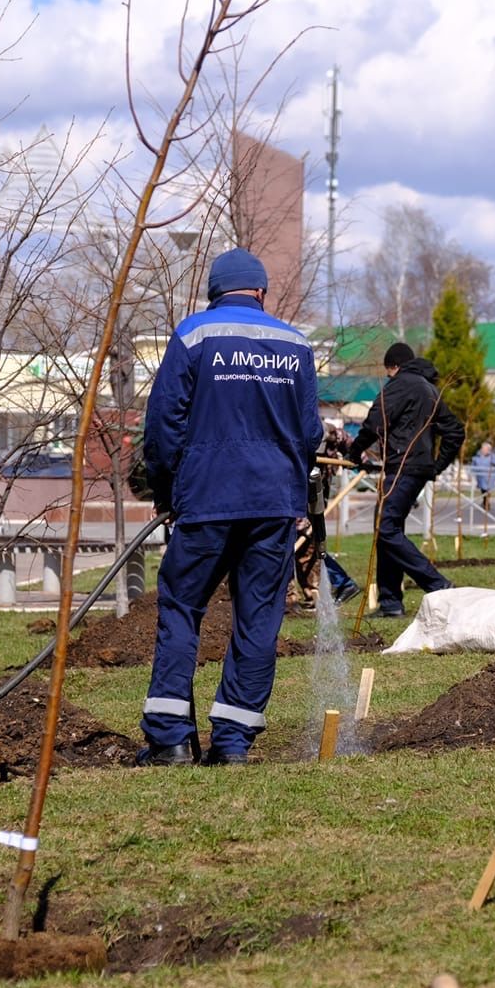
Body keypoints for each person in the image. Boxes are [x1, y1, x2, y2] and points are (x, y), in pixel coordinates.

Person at [138, 248, 322, 765]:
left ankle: (170, 738)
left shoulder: (193, 335)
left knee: (181, 607)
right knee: (258, 618)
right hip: (272, 505)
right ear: (260, 292)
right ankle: (233, 743)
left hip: (206, 498)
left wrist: (167, 488)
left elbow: (163, 425)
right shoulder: (295, 344)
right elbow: (309, 433)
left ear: (215, 293)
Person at [349, 341, 464, 618]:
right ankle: (390, 602)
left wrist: (354, 451)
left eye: (388, 373)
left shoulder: (400, 384)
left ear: (394, 367)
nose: (388, 379)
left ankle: (437, 585)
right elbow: (455, 432)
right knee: (388, 529)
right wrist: (434, 466)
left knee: (385, 528)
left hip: (401, 467)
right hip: (414, 469)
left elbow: (376, 421)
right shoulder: (429, 389)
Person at [471, 439, 495, 504]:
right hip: (480, 477)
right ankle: (485, 501)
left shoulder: (492, 456)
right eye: (482, 448)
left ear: (488, 449)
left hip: (489, 477)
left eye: (484, 448)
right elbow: (473, 465)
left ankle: (486, 502)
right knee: (483, 490)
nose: (482, 449)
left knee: (488, 490)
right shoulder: (478, 456)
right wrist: (471, 473)